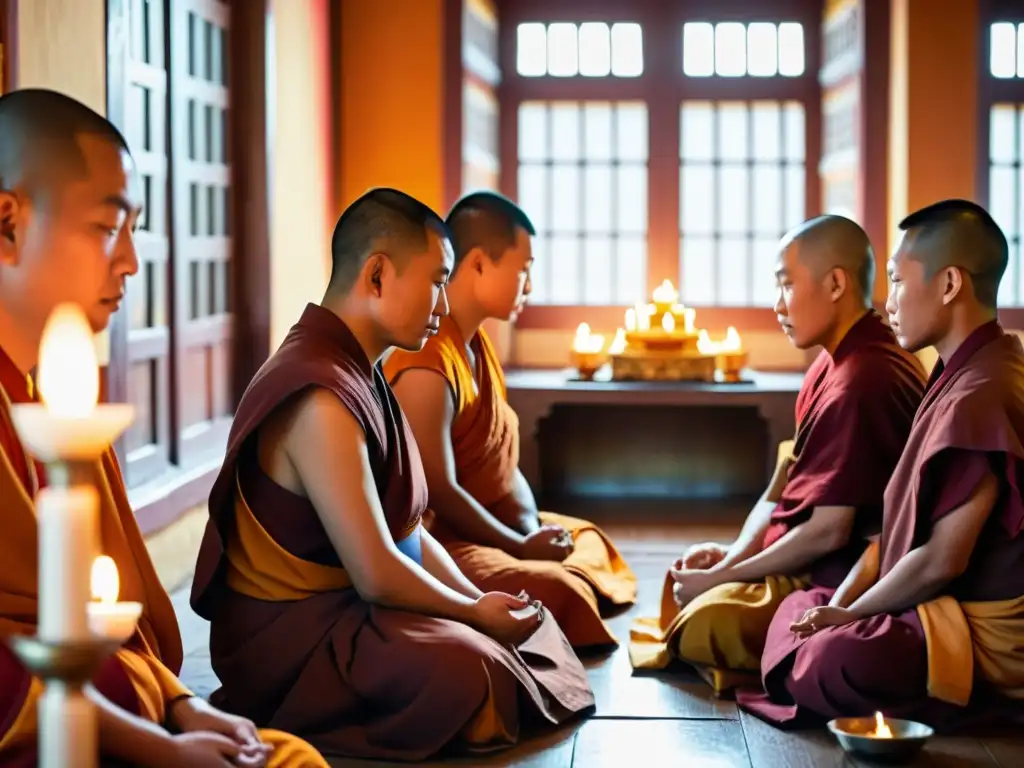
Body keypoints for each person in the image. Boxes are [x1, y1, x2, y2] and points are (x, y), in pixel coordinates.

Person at [190, 188, 595, 761]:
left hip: (351, 610)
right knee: (473, 667)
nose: (442, 302)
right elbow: (378, 572)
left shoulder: (362, 374)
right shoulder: (319, 395)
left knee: (521, 627)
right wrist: (473, 614)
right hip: (294, 643)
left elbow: (408, 530)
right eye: (437, 279)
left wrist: (477, 599)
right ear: (378, 275)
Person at [0, 89, 326, 768]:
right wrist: (158, 747)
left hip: (114, 709)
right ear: (8, 223)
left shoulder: (57, 406)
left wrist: (186, 709)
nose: (129, 263)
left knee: (288, 757)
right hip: (33, 735)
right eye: (105, 228)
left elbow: (113, 619)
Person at [738, 199, 1024, 729]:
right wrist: (839, 607)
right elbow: (893, 533)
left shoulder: (986, 391)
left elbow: (943, 559)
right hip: (927, 599)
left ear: (949, 285)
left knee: (828, 658)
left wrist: (850, 617)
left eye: (896, 281)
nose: (887, 300)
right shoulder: (962, 371)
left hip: (973, 629)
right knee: (801, 612)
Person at [630, 215, 927, 694]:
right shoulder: (830, 365)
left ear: (835, 284)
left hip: (849, 574)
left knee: (707, 622)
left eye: (787, 286)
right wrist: (732, 556)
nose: (777, 305)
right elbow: (780, 488)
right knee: (689, 577)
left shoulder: (864, 377)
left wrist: (725, 577)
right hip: (809, 552)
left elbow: (831, 531)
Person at [383, 191, 637, 649]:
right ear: (478, 263)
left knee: (588, 539)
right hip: (449, 543)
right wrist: (519, 546)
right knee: (564, 590)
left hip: (498, 528)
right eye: (524, 270)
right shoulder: (427, 359)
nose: (530, 287)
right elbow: (437, 490)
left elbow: (497, 459)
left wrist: (527, 529)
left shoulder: (475, 343)